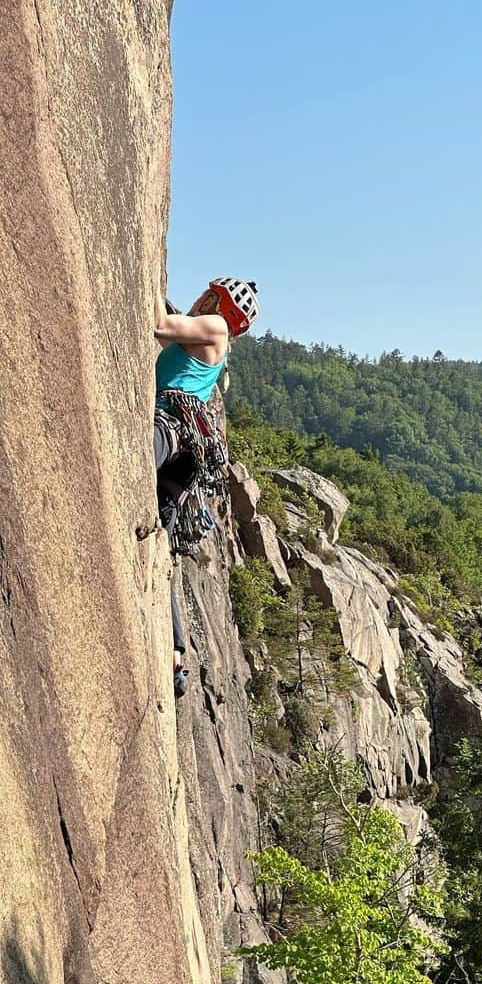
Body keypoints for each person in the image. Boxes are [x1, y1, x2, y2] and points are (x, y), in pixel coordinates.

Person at [153, 278, 259, 696]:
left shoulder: (214, 326)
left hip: (171, 430)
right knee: (159, 547)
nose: (199, 299)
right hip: (183, 457)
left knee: (130, 456)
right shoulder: (212, 339)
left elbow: (161, 326)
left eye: (208, 295)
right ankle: (177, 653)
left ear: (220, 303)